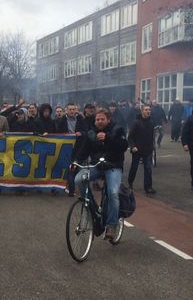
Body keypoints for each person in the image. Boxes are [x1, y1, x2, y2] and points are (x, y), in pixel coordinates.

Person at [73, 108, 129, 240]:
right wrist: (75, 162)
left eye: (102, 119)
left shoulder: (117, 129)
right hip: (96, 166)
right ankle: (92, 208)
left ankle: (111, 225)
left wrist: (108, 138)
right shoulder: (91, 133)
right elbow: (84, 150)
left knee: (113, 193)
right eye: (97, 119)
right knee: (79, 179)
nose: (99, 121)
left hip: (113, 166)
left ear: (108, 120)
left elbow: (123, 146)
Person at [56, 102, 85, 196]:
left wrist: (81, 133)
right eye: (70, 109)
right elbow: (57, 132)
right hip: (66, 147)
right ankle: (71, 189)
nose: (72, 111)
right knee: (68, 166)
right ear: (66, 110)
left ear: (76, 110)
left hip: (78, 146)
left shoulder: (81, 119)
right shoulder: (62, 120)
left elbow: (86, 130)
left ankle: (81, 190)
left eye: (73, 109)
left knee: (77, 166)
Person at [127, 104, 156, 194]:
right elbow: (130, 136)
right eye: (146, 110)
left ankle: (148, 187)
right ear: (142, 111)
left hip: (148, 149)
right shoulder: (136, 122)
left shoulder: (151, 122)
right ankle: (130, 182)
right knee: (134, 167)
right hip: (137, 149)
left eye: (149, 110)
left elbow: (152, 136)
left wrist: (152, 146)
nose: (148, 111)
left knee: (148, 168)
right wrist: (133, 146)